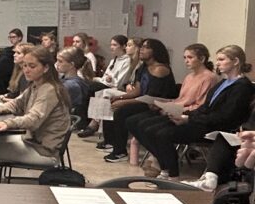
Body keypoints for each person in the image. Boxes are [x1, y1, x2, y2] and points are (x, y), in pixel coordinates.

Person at [132, 45, 253, 178]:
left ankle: (172, 173)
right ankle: (164, 165)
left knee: (162, 133)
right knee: (148, 127)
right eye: (217, 59)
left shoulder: (242, 87)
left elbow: (225, 117)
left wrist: (189, 119)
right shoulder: (224, 82)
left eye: (222, 59)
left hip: (215, 128)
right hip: (202, 121)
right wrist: (185, 115)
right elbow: (205, 107)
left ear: (235, 61)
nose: (217, 63)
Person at [0, 46, 71, 182]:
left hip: (44, 151)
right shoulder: (36, 85)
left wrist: (7, 123)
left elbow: (33, 120)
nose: (26, 70)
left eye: (32, 66)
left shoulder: (49, 90)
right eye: (25, 66)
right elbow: (17, 103)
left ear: (46, 68)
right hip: (31, 141)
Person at [126, 43, 219, 175]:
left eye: (190, 57)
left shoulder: (209, 78)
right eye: (185, 57)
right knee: (135, 122)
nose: (186, 61)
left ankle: (168, 167)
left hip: (188, 115)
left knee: (152, 129)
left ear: (202, 59)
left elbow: (200, 104)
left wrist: (175, 109)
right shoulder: (189, 77)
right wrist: (163, 103)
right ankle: (160, 158)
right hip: (176, 110)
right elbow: (181, 99)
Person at [101, 38, 176, 163]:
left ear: (155, 51)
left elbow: (150, 97)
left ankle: (120, 151)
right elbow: (137, 91)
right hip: (144, 100)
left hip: (157, 104)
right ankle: (110, 142)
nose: (141, 50)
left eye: (146, 47)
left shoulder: (160, 69)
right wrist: (119, 97)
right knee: (112, 104)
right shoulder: (143, 68)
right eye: (141, 47)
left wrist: (124, 102)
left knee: (122, 111)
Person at [56, 47, 92, 121]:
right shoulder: (62, 79)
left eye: (60, 61)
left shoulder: (72, 85)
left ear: (72, 64)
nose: (57, 64)